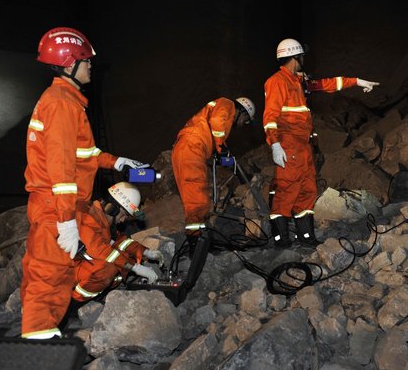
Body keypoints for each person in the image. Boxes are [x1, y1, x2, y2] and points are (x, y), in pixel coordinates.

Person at [21, 27, 149, 339]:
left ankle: (44, 341)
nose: (90, 66)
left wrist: (115, 161)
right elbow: (62, 171)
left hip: (62, 206)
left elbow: (83, 154)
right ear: (68, 64)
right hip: (57, 207)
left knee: (56, 277)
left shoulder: (66, 100)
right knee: (48, 281)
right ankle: (37, 350)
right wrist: (66, 222)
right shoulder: (62, 104)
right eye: (85, 61)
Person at [263, 38, 379, 247]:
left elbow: (327, 84)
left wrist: (357, 81)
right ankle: (281, 241)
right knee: (287, 189)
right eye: (302, 55)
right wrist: (275, 144)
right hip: (288, 143)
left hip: (303, 145)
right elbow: (270, 115)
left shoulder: (298, 81)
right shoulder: (277, 82)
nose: (304, 59)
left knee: (307, 189)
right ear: (295, 56)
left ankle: (306, 237)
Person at [171, 97, 255, 255]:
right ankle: (196, 247)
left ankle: (202, 242)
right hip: (191, 148)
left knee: (201, 202)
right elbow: (216, 121)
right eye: (246, 120)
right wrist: (221, 147)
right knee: (196, 203)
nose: (244, 124)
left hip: (193, 149)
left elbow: (215, 128)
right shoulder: (227, 104)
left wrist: (219, 149)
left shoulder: (224, 113)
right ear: (243, 111)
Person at [71, 182, 163, 308]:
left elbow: (120, 242)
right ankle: (72, 306)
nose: (123, 219)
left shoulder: (102, 220)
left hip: (78, 264)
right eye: (124, 214)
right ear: (112, 209)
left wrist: (146, 252)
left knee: (121, 260)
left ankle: (101, 295)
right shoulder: (88, 218)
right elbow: (100, 251)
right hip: (64, 270)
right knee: (108, 269)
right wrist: (136, 268)